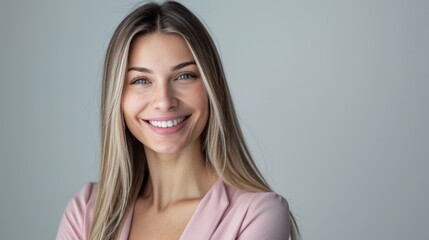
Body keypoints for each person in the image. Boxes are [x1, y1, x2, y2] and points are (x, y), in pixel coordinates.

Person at [56, 1, 299, 239]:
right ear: (117, 98)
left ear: (211, 88)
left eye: (184, 76)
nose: (164, 100)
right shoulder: (87, 212)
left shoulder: (256, 214)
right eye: (141, 80)